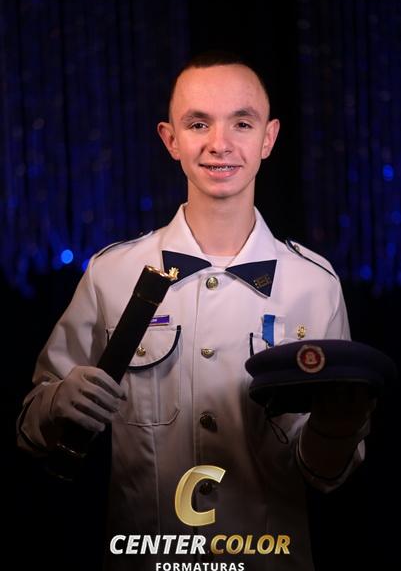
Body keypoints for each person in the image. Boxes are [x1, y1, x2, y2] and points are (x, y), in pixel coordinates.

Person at [17, 52, 375, 570]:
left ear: (269, 138)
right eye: (198, 123)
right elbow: (29, 429)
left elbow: (327, 475)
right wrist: (56, 404)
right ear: (171, 139)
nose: (219, 143)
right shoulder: (111, 274)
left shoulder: (314, 285)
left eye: (242, 123)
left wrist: (339, 427)